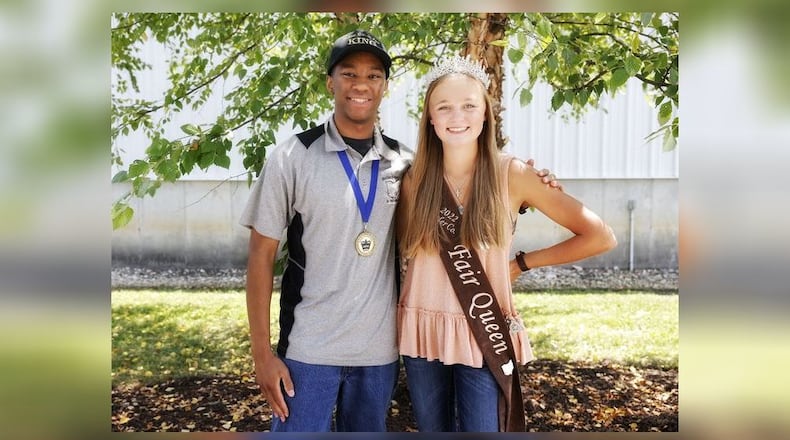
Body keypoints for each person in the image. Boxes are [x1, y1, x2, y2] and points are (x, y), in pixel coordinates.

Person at [240, 30, 560, 432]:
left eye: (374, 75)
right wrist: (262, 354)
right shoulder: (292, 156)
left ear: (385, 87)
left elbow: (466, 195)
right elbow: (260, 255)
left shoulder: (408, 164)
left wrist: (527, 191)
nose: (361, 84)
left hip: (379, 355)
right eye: (348, 73)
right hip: (307, 352)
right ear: (330, 82)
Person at [396, 56, 618, 432]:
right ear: (430, 119)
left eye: (469, 105)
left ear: (485, 115)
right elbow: (401, 249)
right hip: (423, 328)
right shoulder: (413, 179)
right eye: (444, 107)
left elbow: (600, 236)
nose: (457, 116)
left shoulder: (513, 174)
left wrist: (522, 264)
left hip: (484, 330)